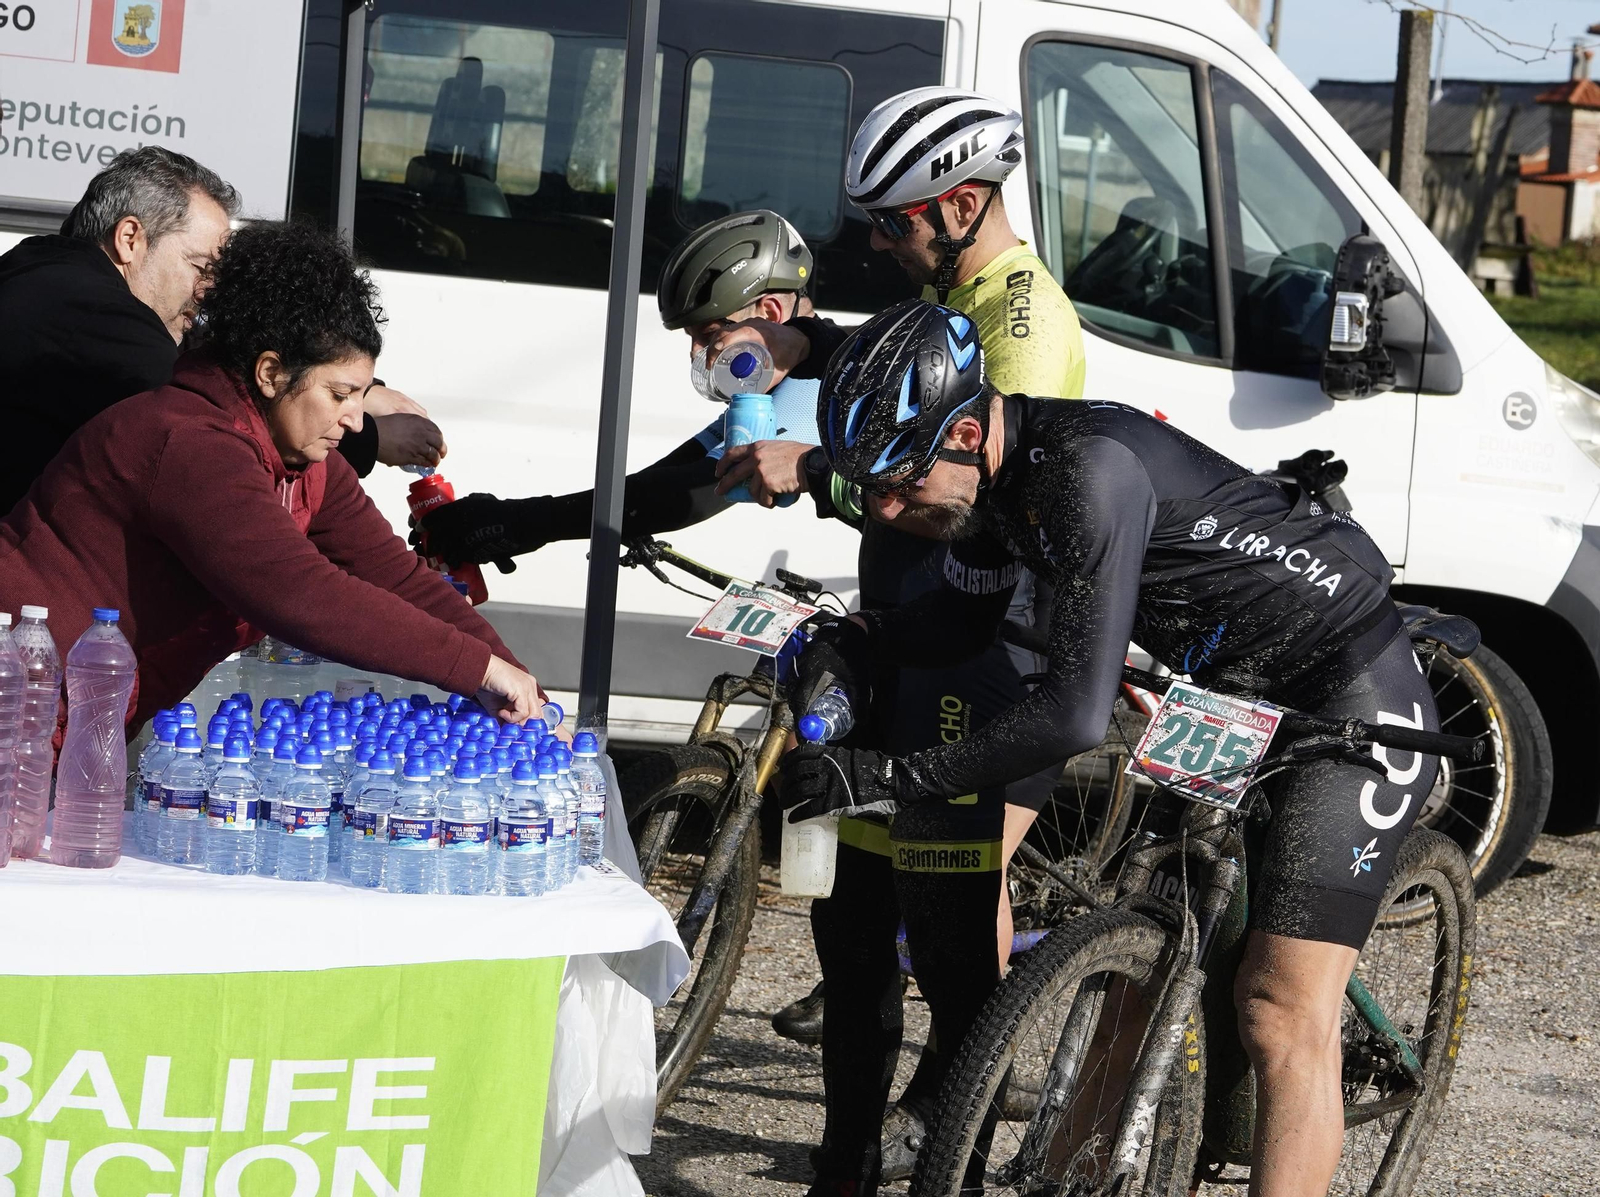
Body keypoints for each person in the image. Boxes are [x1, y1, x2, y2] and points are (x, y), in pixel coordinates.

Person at [780, 301, 1437, 1197]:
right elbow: (960, 623)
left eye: (897, 482)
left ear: (966, 432)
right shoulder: (984, 484)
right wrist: (858, 637)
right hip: (1233, 692)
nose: (886, 510)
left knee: (1279, 1011)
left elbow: (1074, 716)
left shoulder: (1084, 474)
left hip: (1346, 689)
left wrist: (893, 778)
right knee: (1140, 975)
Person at [710, 88, 1087, 1180]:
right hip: (905, 638)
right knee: (853, 927)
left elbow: (964, 494)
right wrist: (807, 343)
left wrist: (818, 470)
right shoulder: (954, 291)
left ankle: (944, 1150)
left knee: (950, 945)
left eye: (893, 223)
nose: (877, 243)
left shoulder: (1025, 322)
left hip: (979, 654)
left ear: (961, 206)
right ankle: (846, 1158)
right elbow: (902, 370)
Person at [0, 221, 544, 734]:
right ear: (270, 373)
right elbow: (300, 593)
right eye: (339, 394)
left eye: (362, 395)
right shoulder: (189, 442)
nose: (356, 421)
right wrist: (475, 668)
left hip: (81, 713)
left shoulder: (307, 463)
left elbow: (396, 577)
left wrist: (520, 687)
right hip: (23, 695)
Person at [0, 146, 443, 515]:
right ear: (130, 238)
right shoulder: (88, 309)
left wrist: (360, 390)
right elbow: (217, 409)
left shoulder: (50, 274)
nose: (208, 291)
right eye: (199, 266)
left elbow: (205, 348)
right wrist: (369, 438)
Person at [412, 209, 831, 566]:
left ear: (770, 315)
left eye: (709, 334)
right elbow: (677, 468)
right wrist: (509, 521)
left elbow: (696, 491)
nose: (695, 354)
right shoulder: (785, 378)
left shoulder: (816, 385)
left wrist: (527, 522)